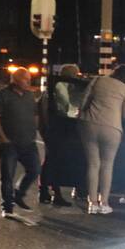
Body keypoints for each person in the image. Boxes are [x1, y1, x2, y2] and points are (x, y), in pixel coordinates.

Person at [78, 64, 125, 215]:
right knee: (107, 166)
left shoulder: (97, 80)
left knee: (93, 164)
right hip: (112, 129)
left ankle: (92, 203)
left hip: (90, 124)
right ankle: (104, 202)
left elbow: (83, 103)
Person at [0, 67, 40, 217]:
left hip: (28, 142)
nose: (29, 81)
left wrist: (34, 129)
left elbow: (35, 114)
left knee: (35, 169)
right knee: (7, 176)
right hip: (9, 143)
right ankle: (7, 206)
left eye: (29, 79)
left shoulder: (30, 95)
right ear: (16, 80)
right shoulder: (3, 95)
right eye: (25, 79)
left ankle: (19, 194)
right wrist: (3, 138)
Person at [38, 64, 81, 207]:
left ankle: (47, 190)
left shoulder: (55, 87)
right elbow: (65, 106)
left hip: (49, 127)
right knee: (53, 160)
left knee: (50, 160)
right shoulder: (60, 88)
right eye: (76, 75)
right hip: (54, 128)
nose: (77, 77)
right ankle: (52, 191)